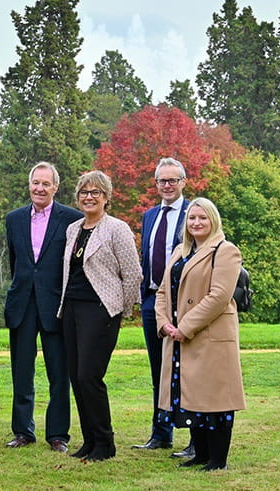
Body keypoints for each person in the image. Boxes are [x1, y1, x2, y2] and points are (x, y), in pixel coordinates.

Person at [155, 198, 246, 471]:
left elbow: (219, 296)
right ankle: (201, 454)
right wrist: (164, 324)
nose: (196, 222)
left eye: (202, 218)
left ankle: (217, 460)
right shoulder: (180, 251)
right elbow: (162, 292)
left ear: (213, 220)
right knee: (190, 396)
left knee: (215, 399)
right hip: (179, 336)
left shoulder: (226, 250)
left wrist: (185, 326)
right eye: (192, 218)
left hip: (209, 335)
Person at [58, 170, 141, 462]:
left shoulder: (117, 229)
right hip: (71, 309)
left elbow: (133, 274)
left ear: (106, 197)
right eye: (84, 192)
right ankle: (90, 440)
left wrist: (119, 310)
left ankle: (105, 443)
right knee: (76, 377)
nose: (89, 197)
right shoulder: (73, 229)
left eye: (95, 192)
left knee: (89, 376)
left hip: (101, 311)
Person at [2, 162, 82, 453]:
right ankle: (23, 431)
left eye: (45, 184)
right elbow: (16, 263)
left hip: (56, 306)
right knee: (21, 373)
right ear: (29, 184)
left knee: (59, 375)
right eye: (35, 182)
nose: (39, 188)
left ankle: (58, 434)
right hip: (22, 304)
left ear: (55, 188)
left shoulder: (72, 219)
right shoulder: (14, 219)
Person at [133, 158, 191, 453]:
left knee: (189, 371)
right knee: (159, 372)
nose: (167, 186)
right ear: (156, 184)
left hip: (185, 303)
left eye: (172, 180)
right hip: (153, 301)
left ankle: (197, 438)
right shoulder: (150, 215)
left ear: (183, 181)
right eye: (161, 181)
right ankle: (161, 433)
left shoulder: (194, 213)